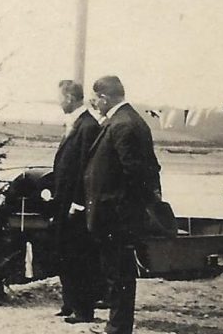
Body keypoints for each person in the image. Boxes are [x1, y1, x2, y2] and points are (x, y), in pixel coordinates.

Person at [83, 75, 162, 334]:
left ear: (105, 97)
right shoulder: (125, 120)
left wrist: (117, 206)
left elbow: (136, 172)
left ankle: (118, 328)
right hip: (117, 214)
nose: (93, 103)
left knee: (119, 274)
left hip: (116, 216)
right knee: (117, 273)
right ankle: (116, 326)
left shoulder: (123, 124)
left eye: (95, 98)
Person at [51, 80, 103, 324]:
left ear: (70, 98)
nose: (59, 101)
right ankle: (70, 303)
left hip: (76, 206)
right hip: (65, 203)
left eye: (60, 97)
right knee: (66, 254)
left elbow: (87, 169)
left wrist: (78, 203)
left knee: (79, 256)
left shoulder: (88, 126)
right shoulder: (77, 124)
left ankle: (84, 310)